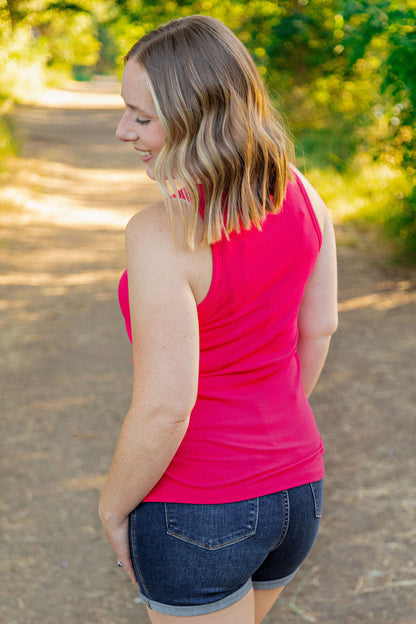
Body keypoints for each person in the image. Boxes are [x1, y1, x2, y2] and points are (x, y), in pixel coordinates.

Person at [99, 14, 338, 624]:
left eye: (143, 118)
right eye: (125, 109)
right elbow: (320, 330)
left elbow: (165, 406)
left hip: (199, 508)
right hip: (297, 493)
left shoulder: (161, 234)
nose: (123, 130)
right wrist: (269, 438)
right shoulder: (304, 194)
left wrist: (111, 505)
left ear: (197, 118)